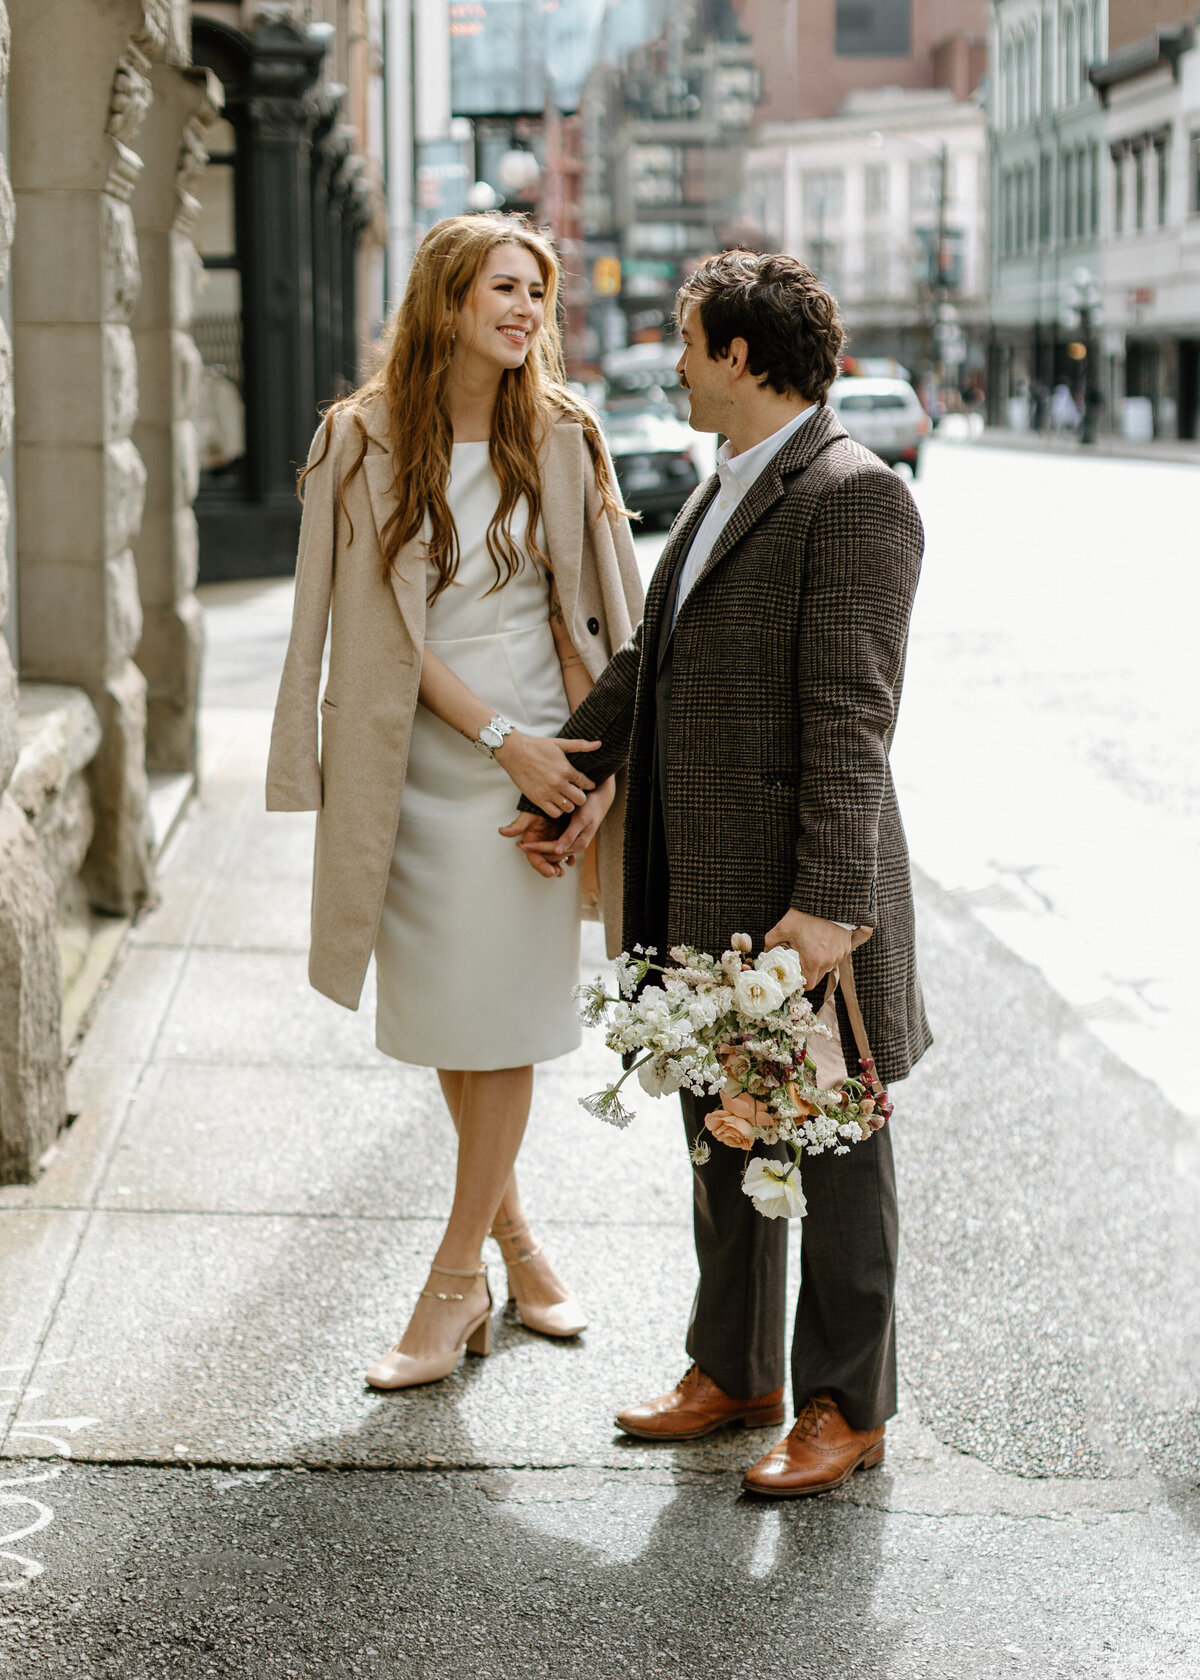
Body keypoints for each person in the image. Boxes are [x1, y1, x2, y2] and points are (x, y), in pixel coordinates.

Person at [511, 251, 930, 1498]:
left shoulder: (854, 494)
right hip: (701, 883)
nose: (675, 361)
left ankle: (844, 1404)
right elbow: (653, 659)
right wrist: (571, 778)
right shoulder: (720, 487)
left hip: (806, 899)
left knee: (831, 1145)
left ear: (741, 356)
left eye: (688, 341)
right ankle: (733, 1369)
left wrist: (828, 912)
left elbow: (854, 719)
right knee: (720, 1137)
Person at [266, 213, 643, 1391]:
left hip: (548, 770)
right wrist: (500, 740)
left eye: (539, 291)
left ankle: (452, 1286)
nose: (528, 310)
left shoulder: (570, 435)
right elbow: (380, 632)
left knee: (505, 1024)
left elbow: (616, 627)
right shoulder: (361, 437)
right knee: (451, 1019)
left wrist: (594, 774)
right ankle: (517, 1242)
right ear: (444, 301)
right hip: (424, 766)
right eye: (503, 287)